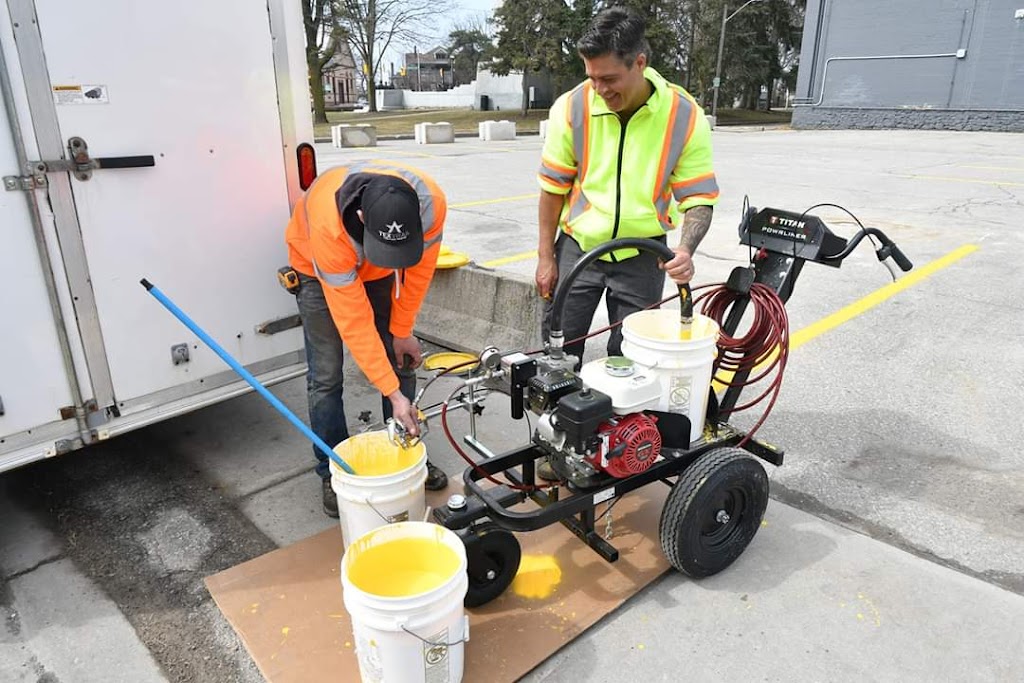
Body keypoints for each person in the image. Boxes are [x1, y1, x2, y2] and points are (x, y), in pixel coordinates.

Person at [536, 6, 719, 368]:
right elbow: (552, 188)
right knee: (557, 354)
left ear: (639, 62)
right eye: (592, 78)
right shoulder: (572, 107)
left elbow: (698, 197)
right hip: (578, 249)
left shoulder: (683, 114)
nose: (599, 89)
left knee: (631, 358)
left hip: (643, 255)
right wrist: (545, 257)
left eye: (609, 78)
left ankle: (625, 426)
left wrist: (685, 250)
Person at [285, 160, 449, 517]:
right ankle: (332, 468)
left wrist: (402, 331)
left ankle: (404, 447)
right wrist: (392, 393)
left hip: (372, 265)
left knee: (399, 356)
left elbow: (418, 274)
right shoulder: (329, 227)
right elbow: (354, 324)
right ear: (361, 217)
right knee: (326, 374)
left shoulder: (431, 203)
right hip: (316, 268)